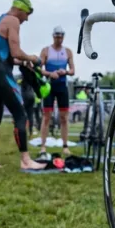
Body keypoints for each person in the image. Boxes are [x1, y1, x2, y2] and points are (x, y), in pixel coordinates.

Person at [0, 0, 46, 170]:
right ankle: (25, 160)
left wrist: (23, 62)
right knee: (21, 115)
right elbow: (16, 52)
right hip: (1, 74)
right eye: (27, 14)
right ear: (20, 9)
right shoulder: (13, 20)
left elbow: (6, 55)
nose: (27, 19)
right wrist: (32, 58)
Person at [39, 26, 76, 157]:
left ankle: (65, 146)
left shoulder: (68, 51)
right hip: (49, 87)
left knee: (64, 118)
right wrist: (50, 73)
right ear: (53, 36)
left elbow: (72, 71)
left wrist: (64, 72)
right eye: (57, 37)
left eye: (61, 37)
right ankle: (43, 146)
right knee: (46, 117)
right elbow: (39, 69)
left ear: (63, 37)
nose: (59, 39)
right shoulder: (46, 51)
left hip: (62, 86)